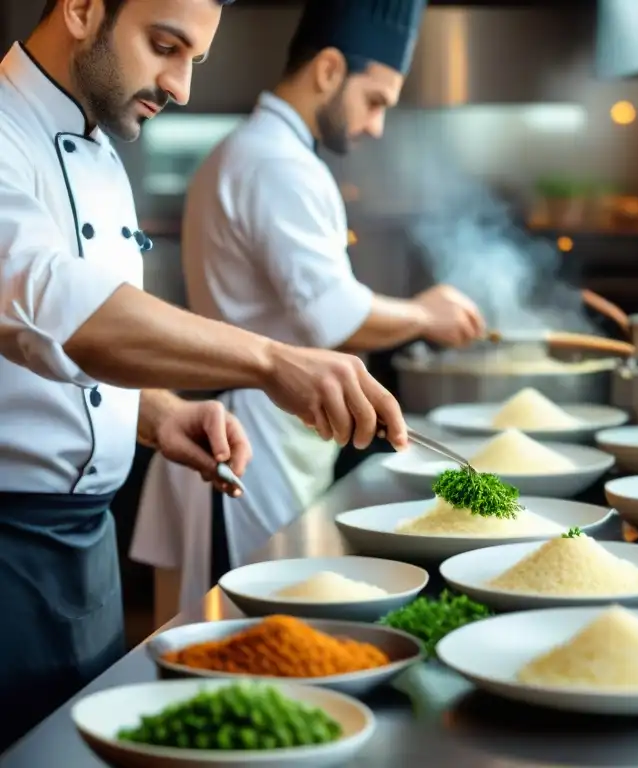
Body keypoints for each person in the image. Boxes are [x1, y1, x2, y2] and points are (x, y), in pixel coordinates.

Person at [0, 0, 408, 748]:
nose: (182, 86)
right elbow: (53, 305)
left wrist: (154, 413)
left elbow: (45, 357)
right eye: (165, 46)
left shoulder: (99, 143)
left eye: (194, 59)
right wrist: (269, 359)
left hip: (88, 560)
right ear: (85, 8)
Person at [131, 0, 485, 616]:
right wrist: (426, 314)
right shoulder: (274, 162)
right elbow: (335, 317)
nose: (375, 125)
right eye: (374, 101)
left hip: (267, 433)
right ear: (328, 69)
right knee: (238, 635)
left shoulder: (271, 153)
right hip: (245, 442)